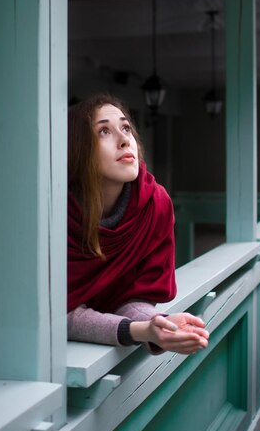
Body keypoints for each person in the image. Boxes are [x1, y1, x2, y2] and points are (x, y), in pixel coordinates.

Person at [67, 94, 209, 355]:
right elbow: (55, 315)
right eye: (104, 131)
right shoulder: (55, 215)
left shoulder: (155, 205)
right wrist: (138, 330)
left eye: (125, 128)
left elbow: (135, 296)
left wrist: (155, 324)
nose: (123, 140)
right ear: (78, 148)